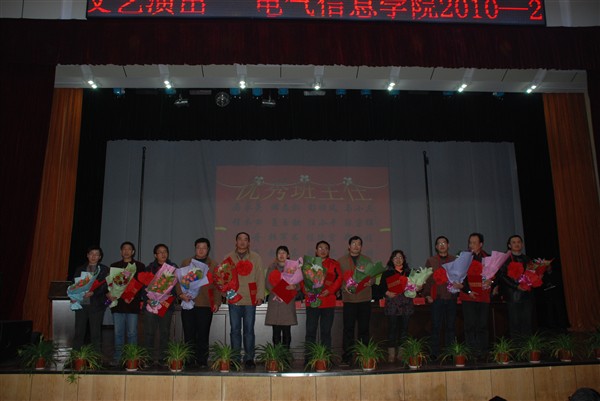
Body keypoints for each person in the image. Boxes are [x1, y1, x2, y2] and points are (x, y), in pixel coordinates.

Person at [222, 232, 265, 368]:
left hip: (250, 299)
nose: (242, 242)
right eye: (240, 239)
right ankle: (235, 358)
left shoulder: (256, 257)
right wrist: (224, 292)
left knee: (249, 330)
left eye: (245, 239)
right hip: (234, 298)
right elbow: (223, 277)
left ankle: (249, 358)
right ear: (236, 242)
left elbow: (260, 277)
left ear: (249, 242)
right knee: (234, 330)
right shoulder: (228, 257)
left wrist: (260, 296)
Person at [177, 238, 219, 368]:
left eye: (204, 248)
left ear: (208, 249)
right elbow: (178, 280)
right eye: (198, 247)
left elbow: (217, 286)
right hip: (188, 303)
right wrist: (181, 295)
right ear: (195, 248)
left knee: (203, 334)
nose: (201, 250)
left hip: (205, 304)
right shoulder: (186, 262)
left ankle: (202, 360)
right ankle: (189, 360)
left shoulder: (213, 265)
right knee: (188, 334)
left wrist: (217, 302)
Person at [302, 240, 342, 362]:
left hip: (328, 301)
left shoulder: (334, 264)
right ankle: (309, 359)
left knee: (326, 332)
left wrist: (330, 291)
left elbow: (339, 279)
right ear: (316, 250)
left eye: (325, 248)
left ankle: (325, 358)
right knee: (310, 331)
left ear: (328, 251)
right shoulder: (309, 263)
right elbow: (302, 280)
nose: (323, 250)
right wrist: (307, 291)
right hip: (312, 300)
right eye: (320, 248)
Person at [107, 241, 145, 366]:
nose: (126, 251)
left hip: (132, 304)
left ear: (133, 252)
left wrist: (132, 296)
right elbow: (110, 284)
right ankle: (118, 357)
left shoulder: (139, 266)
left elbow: (141, 285)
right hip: (118, 304)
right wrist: (109, 293)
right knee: (118, 333)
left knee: (132, 333)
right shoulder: (114, 266)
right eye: (124, 249)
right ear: (121, 251)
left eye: (129, 249)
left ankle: (132, 357)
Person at [338, 235, 374, 365]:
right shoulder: (341, 261)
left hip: (364, 298)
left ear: (361, 247)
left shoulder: (367, 260)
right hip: (349, 299)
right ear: (349, 246)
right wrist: (343, 287)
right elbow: (338, 279)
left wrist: (371, 281)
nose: (356, 246)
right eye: (353, 243)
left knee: (364, 329)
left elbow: (373, 276)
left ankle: (364, 355)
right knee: (348, 329)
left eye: (359, 244)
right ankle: (347, 357)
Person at [142, 243, 178, 365]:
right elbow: (143, 287)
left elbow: (177, 287)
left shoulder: (173, 268)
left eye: (165, 252)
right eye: (160, 252)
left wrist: (168, 296)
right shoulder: (149, 268)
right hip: (150, 304)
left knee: (165, 332)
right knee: (149, 332)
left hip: (166, 305)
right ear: (155, 255)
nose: (163, 254)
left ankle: (163, 358)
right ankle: (148, 357)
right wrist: (147, 299)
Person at [423, 236, 458, 359]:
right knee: (435, 327)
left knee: (451, 327)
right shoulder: (431, 261)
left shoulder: (455, 260)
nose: (442, 245)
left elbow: (460, 277)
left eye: (444, 243)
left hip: (451, 298)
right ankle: (434, 353)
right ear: (436, 247)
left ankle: (450, 353)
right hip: (436, 298)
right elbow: (427, 280)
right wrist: (427, 294)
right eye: (439, 243)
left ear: (448, 245)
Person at [458, 233, 491, 360]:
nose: (471, 245)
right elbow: (460, 277)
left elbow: (496, 275)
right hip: (468, 296)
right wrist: (468, 291)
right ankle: (471, 352)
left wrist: (491, 281)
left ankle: (483, 351)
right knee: (470, 325)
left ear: (481, 244)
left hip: (483, 295)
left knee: (482, 324)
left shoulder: (488, 258)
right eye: (470, 242)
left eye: (474, 243)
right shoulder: (464, 258)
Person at [378, 249, 414, 363]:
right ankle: (391, 354)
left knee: (404, 330)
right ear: (391, 260)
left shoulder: (409, 272)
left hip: (406, 304)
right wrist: (387, 292)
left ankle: (401, 354)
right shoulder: (387, 273)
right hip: (392, 304)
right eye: (395, 258)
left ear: (404, 260)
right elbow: (381, 287)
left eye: (400, 257)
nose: (398, 260)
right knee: (392, 329)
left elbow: (414, 286)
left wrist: (417, 287)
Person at [71, 246, 109, 352]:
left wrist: (94, 292)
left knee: (95, 333)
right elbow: (74, 284)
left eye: (96, 254)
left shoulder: (104, 269)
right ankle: (76, 355)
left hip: (97, 305)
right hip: (81, 303)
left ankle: (96, 357)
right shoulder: (80, 269)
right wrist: (77, 294)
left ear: (100, 257)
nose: (93, 256)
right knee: (79, 331)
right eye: (91, 254)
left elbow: (105, 286)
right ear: (87, 255)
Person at [497, 235, 534, 339]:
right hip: (513, 295)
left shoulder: (527, 259)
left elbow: (531, 274)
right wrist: (516, 286)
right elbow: (502, 276)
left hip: (527, 295)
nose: (517, 244)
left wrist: (537, 277)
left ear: (522, 244)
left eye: (519, 242)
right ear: (509, 245)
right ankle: (517, 346)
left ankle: (528, 346)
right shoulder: (506, 259)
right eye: (514, 242)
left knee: (527, 322)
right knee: (515, 323)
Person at [264, 245, 298, 349]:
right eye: (279, 253)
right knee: (276, 333)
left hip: (287, 304)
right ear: (276, 256)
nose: (281, 255)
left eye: (284, 253)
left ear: (288, 255)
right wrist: (280, 292)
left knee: (287, 332)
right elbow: (267, 284)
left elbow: (299, 284)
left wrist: (294, 286)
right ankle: (277, 355)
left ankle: (286, 355)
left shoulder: (293, 268)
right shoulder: (271, 267)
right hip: (275, 302)